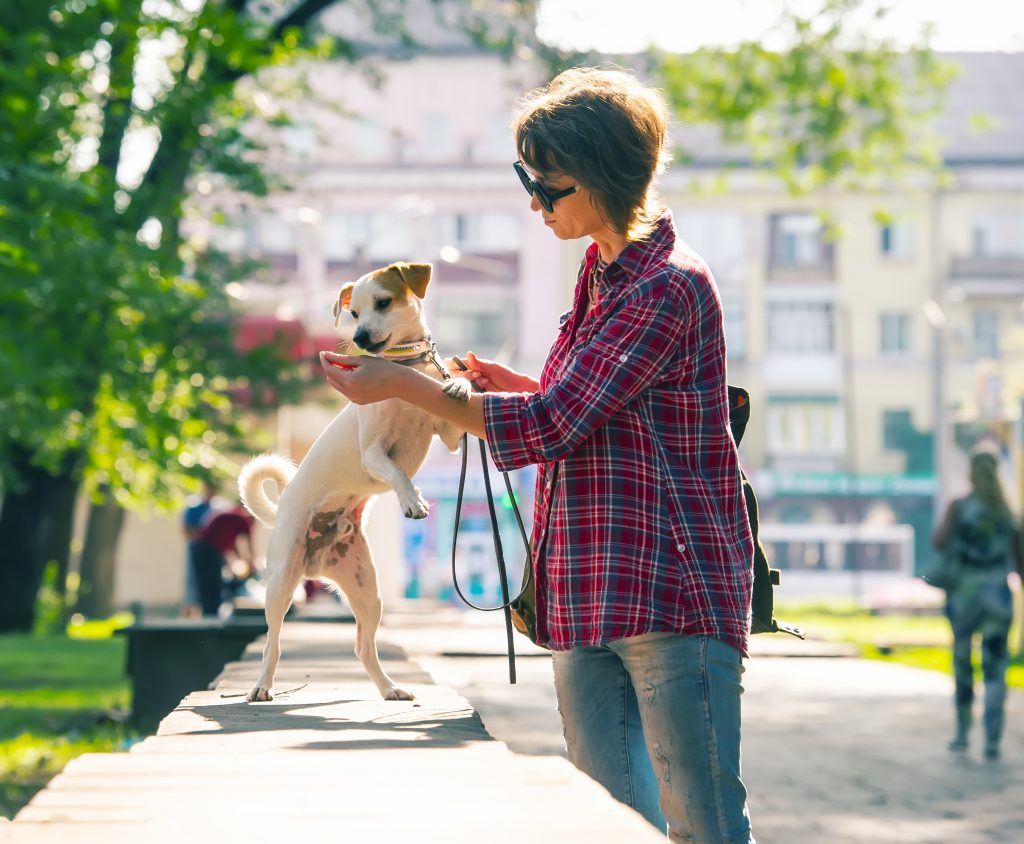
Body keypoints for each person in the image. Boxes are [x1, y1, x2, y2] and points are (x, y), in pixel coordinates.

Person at [320, 67, 756, 842]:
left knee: (705, 831)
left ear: (598, 175)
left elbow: (554, 425)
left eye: (546, 186)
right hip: (587, 592)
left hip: (668, 596)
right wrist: (516, 386)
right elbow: (597, 410)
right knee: (606, 827)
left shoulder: (668, 286)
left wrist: (400, 384)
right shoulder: (601, 270)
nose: (533, 203)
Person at [932, 449, 1023, 760]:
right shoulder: (1009, 515)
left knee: (962, 662)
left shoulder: (960, 507)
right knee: (996, 667)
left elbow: (939, 541)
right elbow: (1020, 564)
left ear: (971, 472)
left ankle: (962, 731)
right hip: (998, 596)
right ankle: (993, 739)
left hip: (964, 597)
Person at [192, 502, 255, 617]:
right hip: (208, 549)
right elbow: (249, 548)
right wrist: (251, 565)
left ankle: (209, 613)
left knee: (208, 583)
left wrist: (238, 560)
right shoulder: (243, 521)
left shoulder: (232, 516)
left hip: (202, 548)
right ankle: (211, 614)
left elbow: (231, 545)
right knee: (212, 582)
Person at [181, 480, 217, 618]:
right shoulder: (194, 507)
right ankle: (189, 616)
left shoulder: (216, 508)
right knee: (192, 583)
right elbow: (187, 530)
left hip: (212, 551)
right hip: (197, 549)